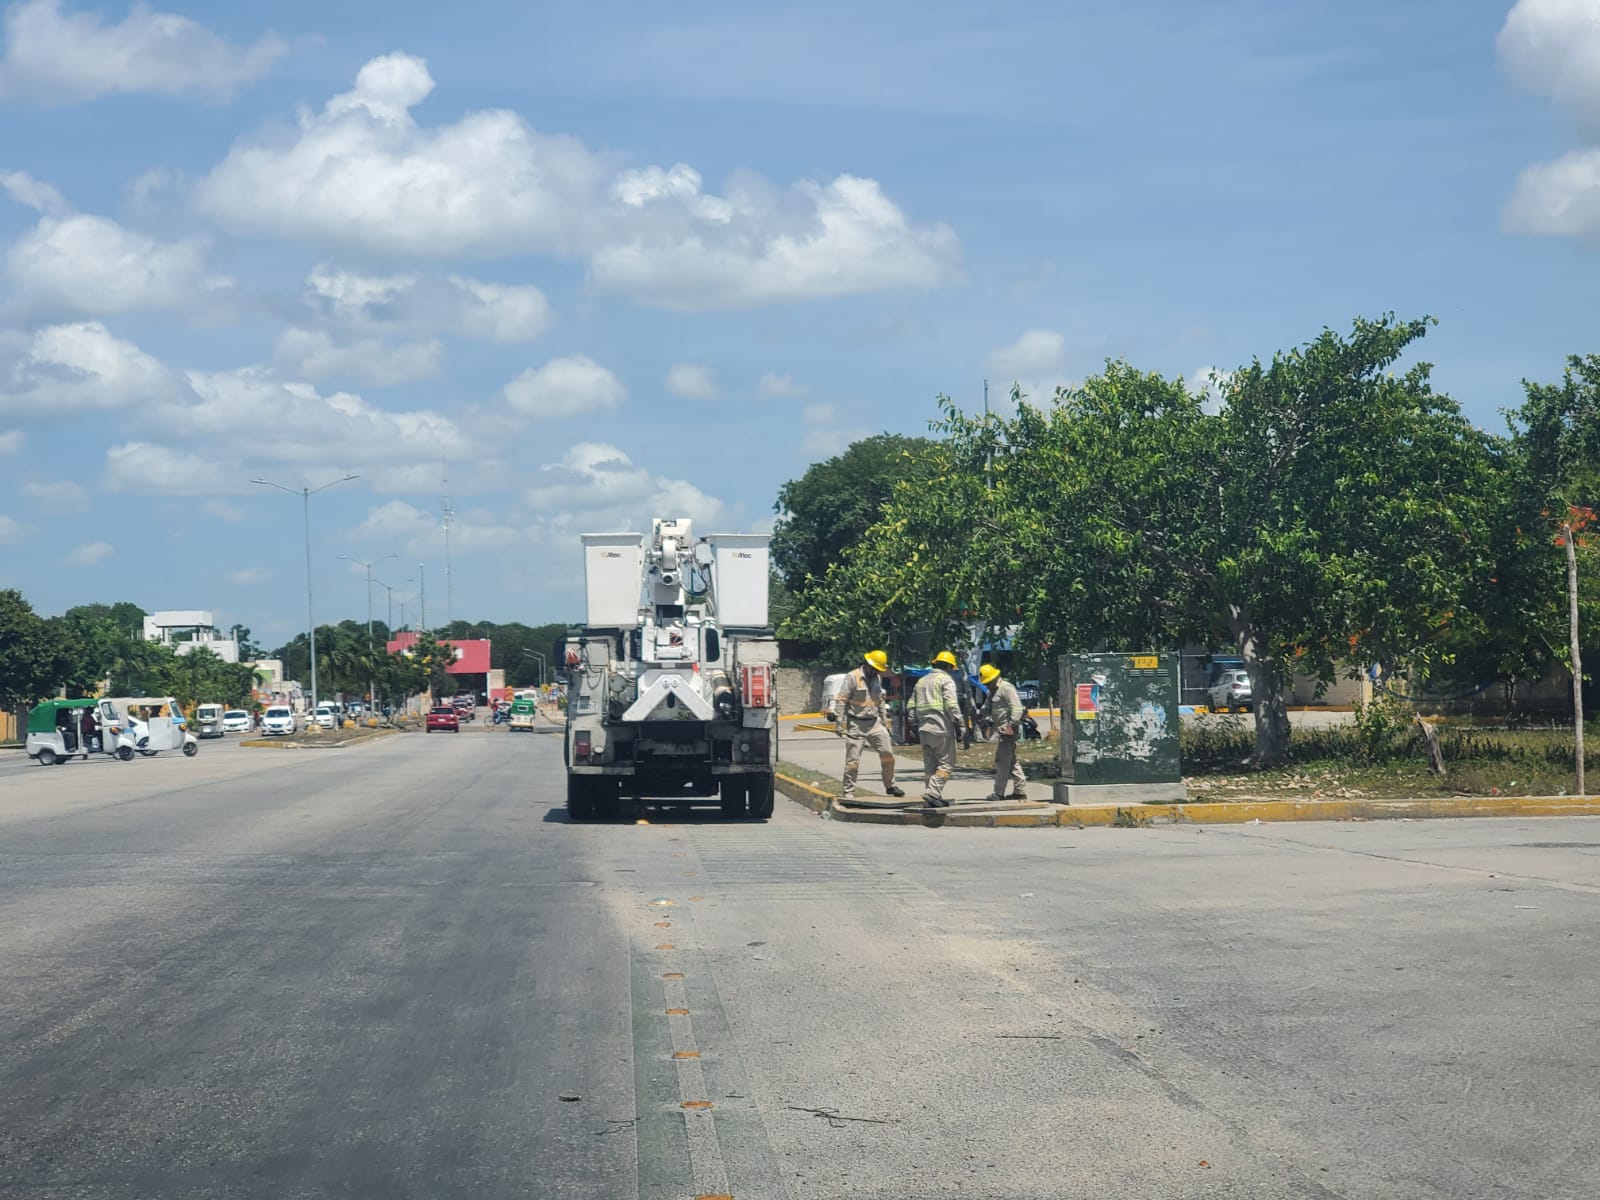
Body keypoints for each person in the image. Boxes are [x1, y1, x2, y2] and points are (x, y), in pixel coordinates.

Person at [827, 650, 905, 803]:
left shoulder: (877, 678)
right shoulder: (853, 677)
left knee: (888, 754)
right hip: (856, 723)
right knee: (853, 760)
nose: (877, 671)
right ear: (868, 665)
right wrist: (838, 722)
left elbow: (880, 701)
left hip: (874, 722)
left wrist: (884, 721)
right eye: (876, 668)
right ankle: (848, 791)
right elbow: (842, 699)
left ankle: (890, 785)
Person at [913, 651, 963, 807]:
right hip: (941, 728)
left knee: (930, 765)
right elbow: (951, 705)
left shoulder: (921, 681)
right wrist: (960, 725)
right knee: (946, 764)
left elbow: (910, 705)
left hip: (924, 729)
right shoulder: (946, 680)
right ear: (948, 666)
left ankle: (931, 797)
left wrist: (913, 723)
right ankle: (932, 793)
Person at [980, 664, 1028, 800]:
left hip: (1008, 730)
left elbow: (1017, 708)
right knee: (1011, 761)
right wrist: (980, 714)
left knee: (1002, 761)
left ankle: (998, 793)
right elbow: (987, 706)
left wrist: (1011, 725)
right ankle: (1020, 790)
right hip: (1001, 730)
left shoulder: (1006, 688)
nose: (987, 685)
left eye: (988, 682)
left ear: (995, 678)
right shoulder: (992, 691)